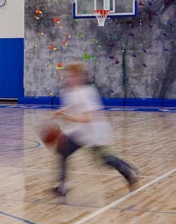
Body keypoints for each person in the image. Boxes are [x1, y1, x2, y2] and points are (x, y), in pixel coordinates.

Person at [52, 63, 138, 197]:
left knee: (101, 160)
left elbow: (88, 117)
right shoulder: (74, 91)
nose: (68, 78)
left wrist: (66, 117)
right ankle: (127, 170)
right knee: (68, 152)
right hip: (84, 131)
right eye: (68, 75)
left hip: (92, 131)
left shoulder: (85, 92)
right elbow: (74, 105)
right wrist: (62, 111)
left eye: (72, 75)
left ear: (79, 76)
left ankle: (126, 169)